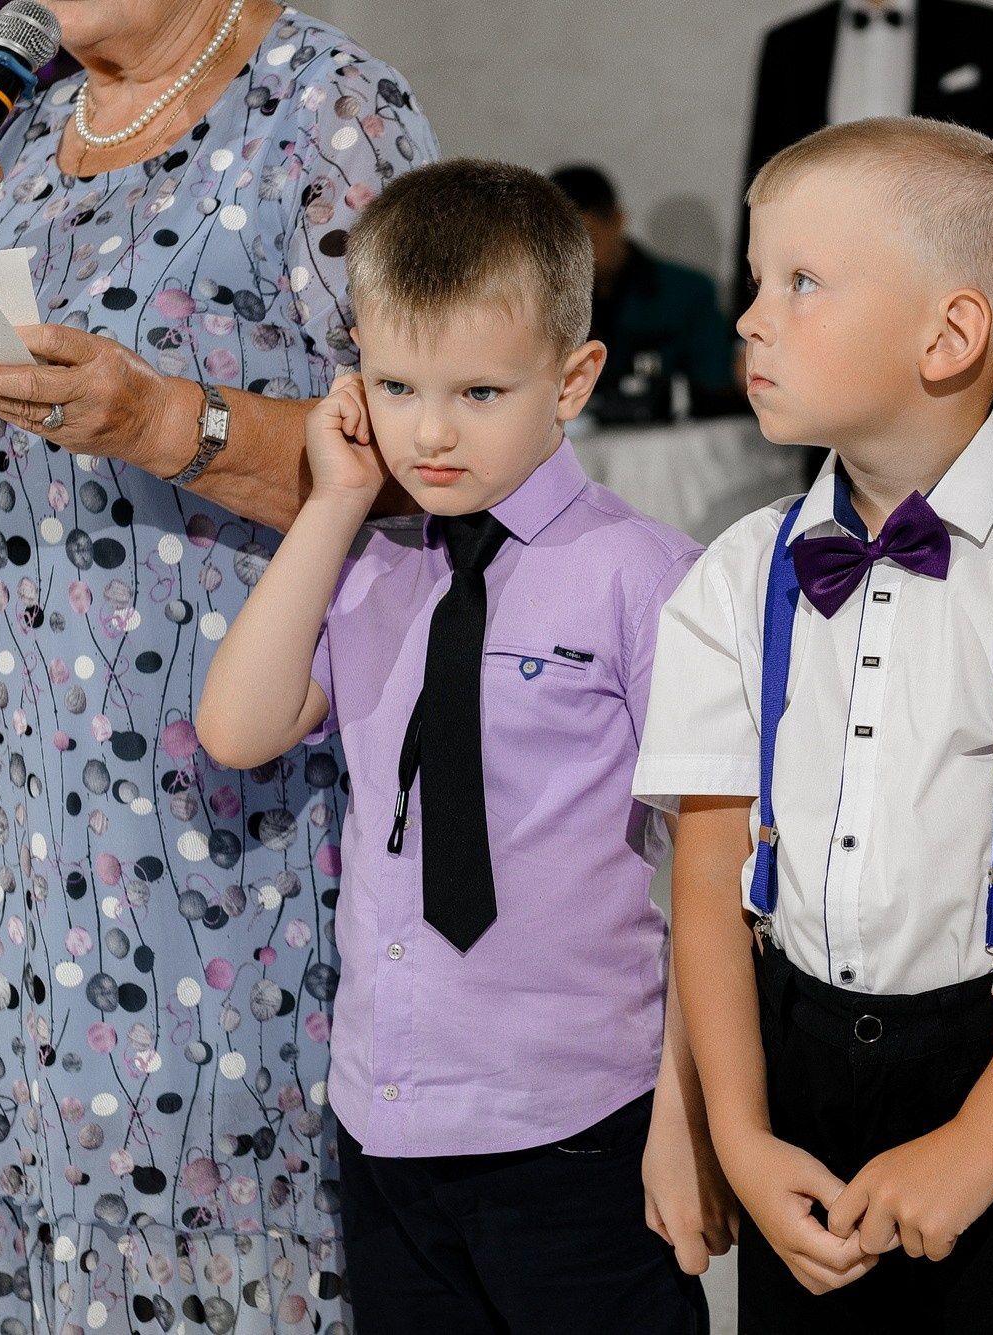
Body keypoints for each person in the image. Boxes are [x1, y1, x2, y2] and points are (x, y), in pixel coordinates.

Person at [0, 2, 435, 1329]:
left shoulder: (326, 109)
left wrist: (163, 418)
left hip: (235, 831)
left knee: (249, 1252)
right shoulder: (10, 133)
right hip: (18, 852)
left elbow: (433, 447)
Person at [637, 117, 993, 1333]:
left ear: (947, 335)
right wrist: (731, 1131)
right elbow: (707, 874)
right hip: (785, 1060)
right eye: (755, 281)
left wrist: (974, 1146)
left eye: (798, 284)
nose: (748, 319)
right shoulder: (737, 577)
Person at [195, 159, 731, 1333]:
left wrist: (689, 1122)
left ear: (572, 378)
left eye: (481, 392)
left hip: (579, 1123)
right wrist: (334, 501)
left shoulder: (646, 581)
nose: (429, 433)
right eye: (394, 386)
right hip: (386, 1121)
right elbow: (234, 730)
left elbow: (710, 876)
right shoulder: (371, 566)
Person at [739, 0, 993, 295]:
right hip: (815, 270)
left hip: (948, 265)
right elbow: (761, 177)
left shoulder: (982, 29)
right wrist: (747, 305)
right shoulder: (788, 43)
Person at [549, 163, 746, 421]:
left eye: (589, 239)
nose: (578, 257)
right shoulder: (546, 302)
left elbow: (715, 389)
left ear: (617, 221)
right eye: (563, 246)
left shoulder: (687, 293)